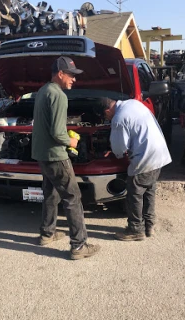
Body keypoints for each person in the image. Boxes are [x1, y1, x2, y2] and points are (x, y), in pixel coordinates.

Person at [32, 56, 100, 260]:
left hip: (42, 155)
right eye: (71, 75)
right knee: (73, 198)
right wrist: (70, 141)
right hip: (56, 155)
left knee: (51, 194)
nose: (74, 79)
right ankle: (79, 246)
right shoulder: (59, 96)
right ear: (60, 74)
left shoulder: (43, 91)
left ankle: (47, 233)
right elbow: (56, 132)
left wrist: (63, 133)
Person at [96, 97, 172, 241]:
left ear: (107, 110)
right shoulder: (133, 103)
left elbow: (119, 150)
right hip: (159, 153)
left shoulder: (118, 119)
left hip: (146, 156)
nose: (106, 119)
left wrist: (111, 151)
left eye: (105, 116)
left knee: (134, 193)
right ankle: (150, 225)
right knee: (149, 190)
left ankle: (135, 229)